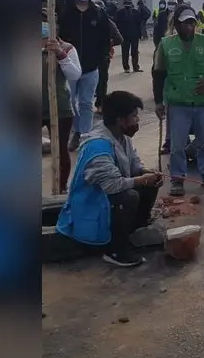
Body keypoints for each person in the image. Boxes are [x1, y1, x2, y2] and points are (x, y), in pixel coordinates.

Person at [57, 91, 162, 267]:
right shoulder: (98, 146)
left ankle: (132, 229)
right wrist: (143, 179)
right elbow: (113, 185)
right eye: (134, 116)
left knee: (150, 183)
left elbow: (135, 167)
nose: (137, 121)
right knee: (129, 196)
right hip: (92, 205)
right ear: (120, 119)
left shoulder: (122, 138)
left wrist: (147, 173)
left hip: (107, 198)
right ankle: (115, 249)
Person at [152, 5, 204, 196]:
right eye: (185, 23)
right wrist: (158, 102)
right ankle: (178, 179)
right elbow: (158, 74)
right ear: (176, 24)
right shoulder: (166, 44)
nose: (189, 27)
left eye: (192, 23)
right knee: (177, 145)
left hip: (203, 102)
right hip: (178, 103)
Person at [57, 0, 115, 152]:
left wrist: (101, 58)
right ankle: (75, 130)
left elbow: (106, 38)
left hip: (91, 68)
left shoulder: (98, 13)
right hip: (69, 66)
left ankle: (85, 136)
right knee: (69, 102)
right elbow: (57, 33)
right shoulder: (65, 10)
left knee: (86, 103)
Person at [42, 10, 82, 192]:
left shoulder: (66, 47)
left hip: (60, 106)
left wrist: (59, 53)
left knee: (60, 150)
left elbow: (75, 74)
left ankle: (61, 188)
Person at [115, 0, 142, 73]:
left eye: (129, 5)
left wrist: (140, 34)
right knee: (125, 52)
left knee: (135, 52)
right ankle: (126, 68)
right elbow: (116, 24)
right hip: (124, 36)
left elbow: (139, 24)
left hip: (134, 36)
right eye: (126, 5)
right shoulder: (119, 13)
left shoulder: (136, 12)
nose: (128, 7)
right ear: (124, 5)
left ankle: (135, 67)